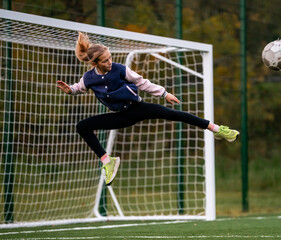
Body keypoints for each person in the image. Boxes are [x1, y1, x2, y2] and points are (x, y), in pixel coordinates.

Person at [57, 32, 239, 186]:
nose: (110, 62)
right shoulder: (88, 78)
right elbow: (77, 88)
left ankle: (217, 129)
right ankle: (107, 161)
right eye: (105, 61)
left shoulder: (120, 69)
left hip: (138, 108)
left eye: (110, 58)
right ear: (95, 64)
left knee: (175, 115)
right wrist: (69, 90)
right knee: (82, 126)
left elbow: (142, 83)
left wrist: (164, 93)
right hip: (119, 117)